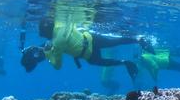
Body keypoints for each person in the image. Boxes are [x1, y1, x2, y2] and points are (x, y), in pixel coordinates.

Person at [20, 16, 154, 79]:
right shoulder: (60, 24)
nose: (40, 34)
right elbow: (50, 43)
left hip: (88, 54)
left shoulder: (57, 42)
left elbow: (57, 65)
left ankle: (125, 62)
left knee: (101, 61)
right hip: (90, 37)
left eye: (42, 33)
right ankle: (138, 40)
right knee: (114, 41)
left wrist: (48, 55)